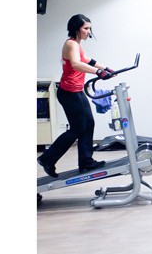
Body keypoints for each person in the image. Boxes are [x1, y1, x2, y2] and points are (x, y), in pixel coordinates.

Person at [37, 14, 114, 178]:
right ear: (76, 29)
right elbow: (77, 64)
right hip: (69, 93)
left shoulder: (77, 45)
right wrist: (99, 72)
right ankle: (47, 159)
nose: (89, 31)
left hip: (76, 91)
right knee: (78, 128)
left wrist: (105, 68)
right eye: (86, 28)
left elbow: (87, 60)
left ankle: (86, 162)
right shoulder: (71, 44)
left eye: (89, 28)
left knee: (89, 123)